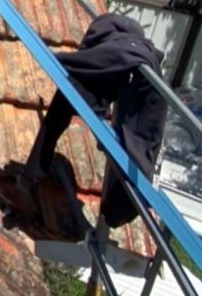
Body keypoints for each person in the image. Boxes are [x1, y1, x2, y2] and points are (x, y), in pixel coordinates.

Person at [21, 13, 166, 227]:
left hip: (142, 118)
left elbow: (77, 63)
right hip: (140, 107)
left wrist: (50, 58)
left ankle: (116, 212)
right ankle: (116, 211)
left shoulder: (124, 51)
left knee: (133, 161)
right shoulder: (132, 50)